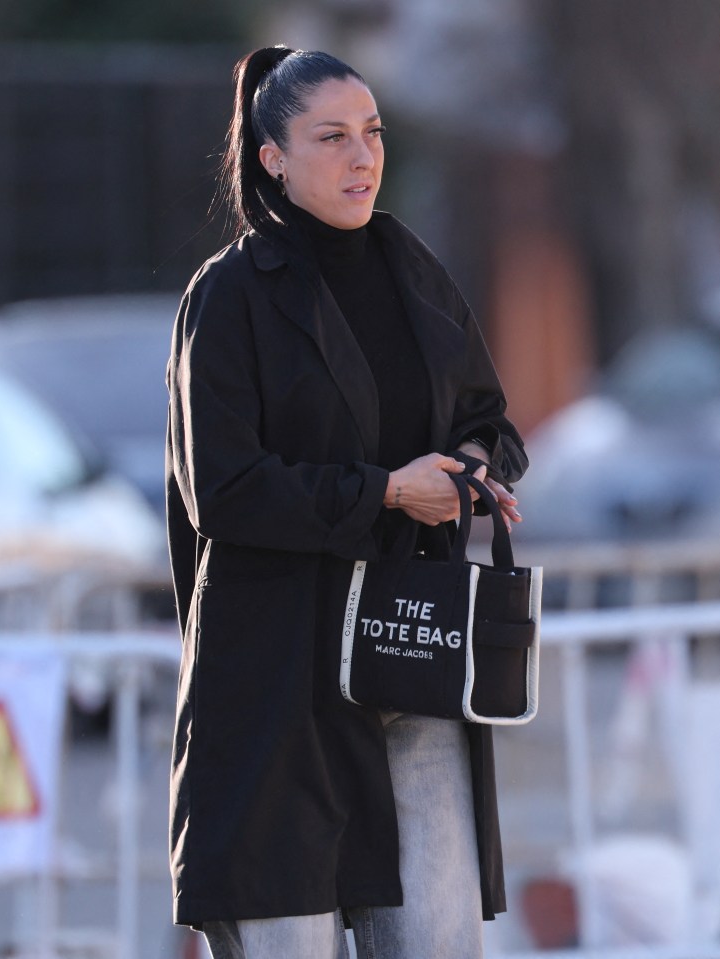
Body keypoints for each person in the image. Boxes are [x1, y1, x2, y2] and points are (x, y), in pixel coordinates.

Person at [166, 45, 528, 959]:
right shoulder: (231, 296)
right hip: (277, 685)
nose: (361, 156)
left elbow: (489, 418)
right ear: (271, 157)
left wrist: (470, 468)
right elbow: (226, 489)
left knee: (437, 945)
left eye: (370, 132)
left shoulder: (413, 271)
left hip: (411, 655)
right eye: (330, 137)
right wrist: (386, 492)